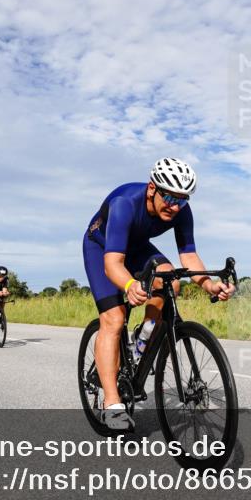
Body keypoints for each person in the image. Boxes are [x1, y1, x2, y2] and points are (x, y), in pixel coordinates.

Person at [82, 157, 235, 431]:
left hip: (138, 246)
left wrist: (209, 285)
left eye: (182, 200)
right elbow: (113, 264)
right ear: (152, 188)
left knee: (171, 283)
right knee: (114, 320)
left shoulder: (181, 211)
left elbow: (188, 256)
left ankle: (144, 335)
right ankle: (112, 402)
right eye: (169, 197)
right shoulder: (125, 204)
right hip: (102, 246)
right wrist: (130, 286)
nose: (175, 206)